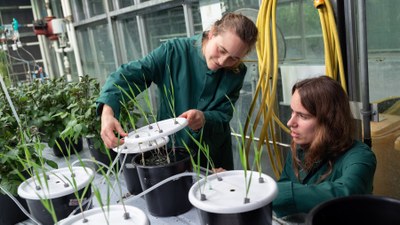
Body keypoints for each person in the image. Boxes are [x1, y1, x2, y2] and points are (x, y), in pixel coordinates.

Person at [96, 12, 258, 170]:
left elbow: (224, 113)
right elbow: (130, 75)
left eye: (234, 58)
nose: (223, 61)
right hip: (171, 150)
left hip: (213, 152)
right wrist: (107, 113)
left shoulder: (236, 71)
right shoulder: (173, 52)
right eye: (222, 50)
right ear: (212, 33)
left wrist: (204, 117)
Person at [273, 76, 377, 219]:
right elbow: (284, 185)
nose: (290, 122)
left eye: (303, 116)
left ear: (329, 121)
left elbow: (347, 192)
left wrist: (272, 192)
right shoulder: (300, 147)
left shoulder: (360, 156)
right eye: (292, 112)